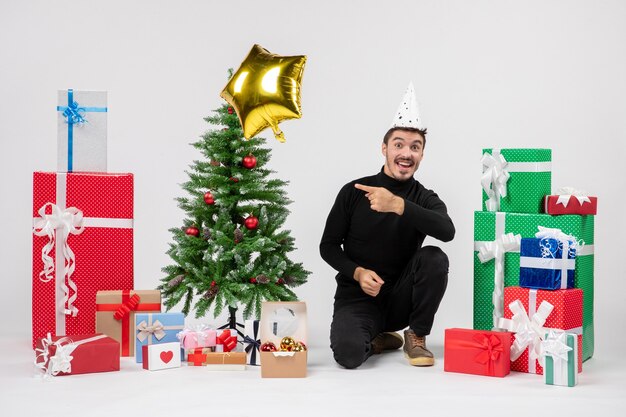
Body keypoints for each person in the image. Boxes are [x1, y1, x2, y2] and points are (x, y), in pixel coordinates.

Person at [319, 82, 455, 369]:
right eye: (399, 145)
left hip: (401, 299)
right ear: (384, 148)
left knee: (434, 256)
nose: (406, 153)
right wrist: (357, 273)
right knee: (349, 356)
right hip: (359, 296)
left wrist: (398, 205)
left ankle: (415, 336)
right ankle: (377, 336)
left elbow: (447, 231)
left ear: (421, 154)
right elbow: (328, 246)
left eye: (415, 147)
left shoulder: (423, 197)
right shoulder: (353, 191)